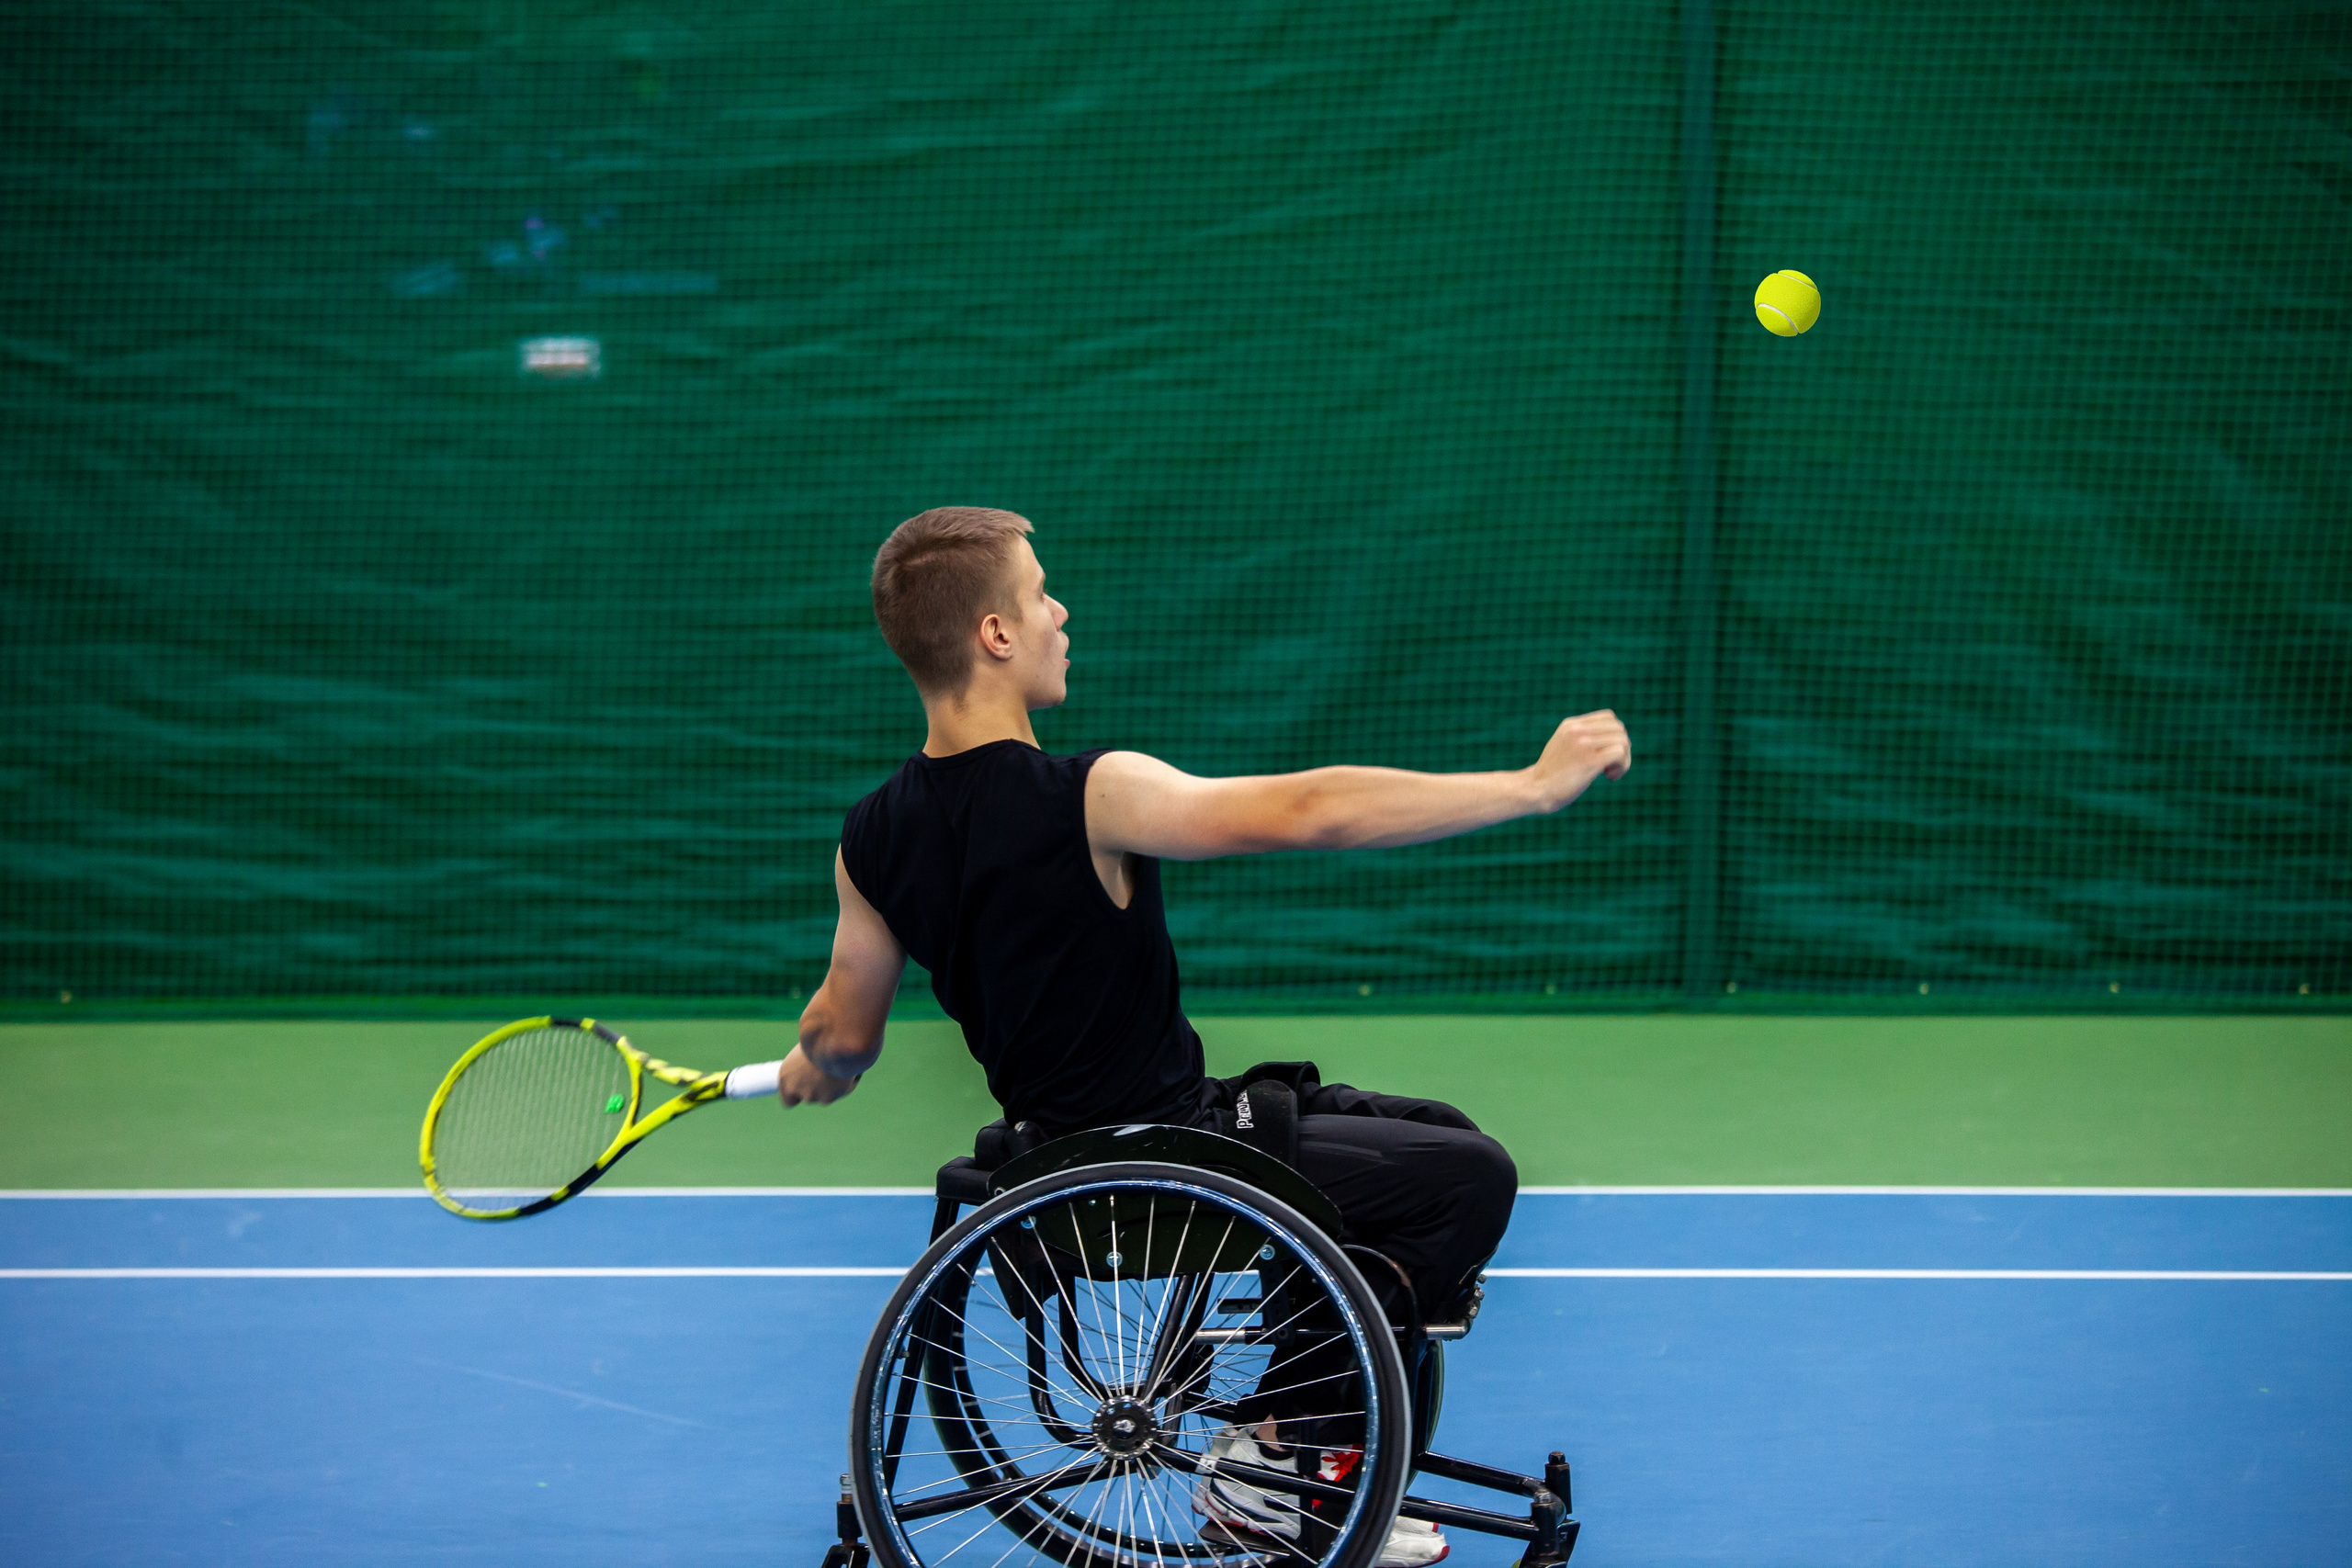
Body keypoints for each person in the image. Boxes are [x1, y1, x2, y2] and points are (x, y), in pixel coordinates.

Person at [780, 506, 1630, 1566]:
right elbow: (1312, 810)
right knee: (1468, 1178)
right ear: (994, 635)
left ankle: (1308, 1440)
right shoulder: (1090, 796)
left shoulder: (872, 838)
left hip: (1064, 1168)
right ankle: (1273, 1456)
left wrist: (808, 1068)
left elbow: (842, 1037)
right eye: (1041, 592)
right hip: (1162, 1161)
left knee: (1429, 1134)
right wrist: (1529, 786)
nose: (1061, 611)